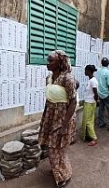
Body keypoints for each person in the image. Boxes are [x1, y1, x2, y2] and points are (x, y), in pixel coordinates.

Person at [38, 50, 77, 188]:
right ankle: (59, 169)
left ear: (60, 63)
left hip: (62, 118)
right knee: (53, 146)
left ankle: (63, 176)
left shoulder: (68, 79)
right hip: (50, 115)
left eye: (51, 61)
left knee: (56, 148)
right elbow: (50, 98)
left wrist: (65, 124)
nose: (47, 63)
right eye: (47, 60)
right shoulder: (49, 78)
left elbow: (73, 102)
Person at [82, 65, 99, 146]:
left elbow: (96, 93)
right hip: (88, 102)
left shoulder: (93, 81)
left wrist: (96, 101)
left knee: (88, 121)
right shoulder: (91, 80)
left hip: (90, 103)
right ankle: (88, 135)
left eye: (85, 70)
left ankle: (94, 138)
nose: (84, 72)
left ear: (89, 71)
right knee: (88, 120)